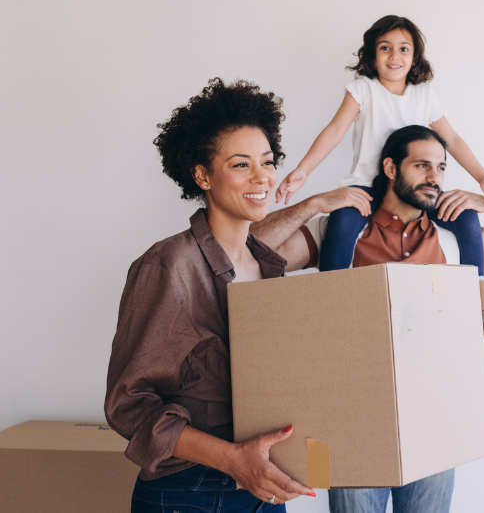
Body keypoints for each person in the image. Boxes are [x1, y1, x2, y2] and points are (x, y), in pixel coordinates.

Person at [105, 78, 372, 512]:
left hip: (261, 486)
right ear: (202, 176)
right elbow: (128, 406)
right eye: (241, 165)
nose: (262, 177)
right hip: (189, 491)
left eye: (267, 162)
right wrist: (233, 460)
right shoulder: (169, 265)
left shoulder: (266, 267)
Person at [250, 125, 484, 513]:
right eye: (422, 165)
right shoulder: (344, 231)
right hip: (355, 417)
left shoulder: (450, 238)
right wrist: (312, 205)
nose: (434, 177)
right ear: (390, 168)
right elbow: (251, 250)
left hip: (436, 416)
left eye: (440, 168)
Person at [272, 15, 484, 340]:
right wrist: (302, 171)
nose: (394, 56)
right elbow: (335, 131)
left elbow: (452, 140)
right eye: (385, 48)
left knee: (467, 217)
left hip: (416, 189)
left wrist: (483, 178)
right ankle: (332, 305)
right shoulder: (363, 90)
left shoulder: (424, 94)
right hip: (367, 188)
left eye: (403, 48)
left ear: (415, 57)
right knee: (341, 224)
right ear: (372, 55)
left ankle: (482, 311)